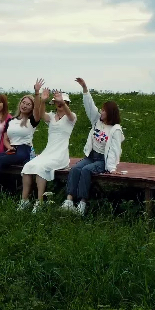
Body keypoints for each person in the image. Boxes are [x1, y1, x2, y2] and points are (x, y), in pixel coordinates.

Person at [60, 77, 124, 215]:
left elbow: (114, 150)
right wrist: (84, 88)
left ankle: (82, 203)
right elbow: (90, 106)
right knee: (76, 168)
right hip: (91, 156)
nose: (101, 112)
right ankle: (69, 201)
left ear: (110, 113)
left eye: (104, 111)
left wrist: (112, 168)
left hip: (102, 160)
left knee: (86, 171)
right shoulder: (97, 121)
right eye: (101, 110)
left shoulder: (115, 129)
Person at [19, 83, 76, 213]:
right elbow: (39, 114)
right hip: (48, 152)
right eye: (57, 102)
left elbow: (70, 115)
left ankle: (39, 202)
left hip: (60, 154)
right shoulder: (51, 116)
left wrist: (63, 102)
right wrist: (41, 98)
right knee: (28, 166)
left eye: (63, 101)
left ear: (67, 103)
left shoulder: (70, 117)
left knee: (41, 168)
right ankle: (24, 200)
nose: (59, 104)